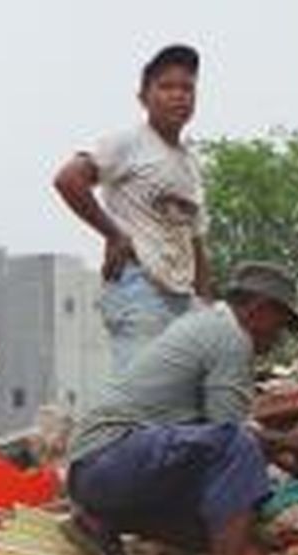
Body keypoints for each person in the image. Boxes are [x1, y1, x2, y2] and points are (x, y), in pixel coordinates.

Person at [65, 262, 298, 555]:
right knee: (236, 454)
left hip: (96, 470)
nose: (278, 337)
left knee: (211, 531)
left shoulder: (209, 325)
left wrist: (290, 453)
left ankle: (99, 522)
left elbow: (212, 437)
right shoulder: (229, 337)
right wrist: (292, 441)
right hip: (109, 459)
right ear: (259, 310)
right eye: (279, 324)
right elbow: (233, 437)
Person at [53, 44, 211, 372]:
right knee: (143, 397)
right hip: (140, 287)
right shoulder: (129, 143)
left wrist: (205, 302)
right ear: (144, 97)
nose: (179, 95)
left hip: (181, 296)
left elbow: (195, 240)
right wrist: (114, 234)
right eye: (167, 86)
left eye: (187, 88)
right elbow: (69, 179)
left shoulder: (190, 165)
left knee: (182, 398)